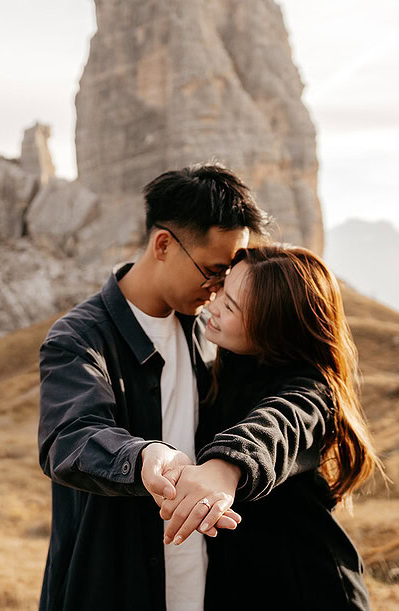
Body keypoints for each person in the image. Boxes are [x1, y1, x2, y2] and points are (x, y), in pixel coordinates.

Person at [36, 164, 266, 611]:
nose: (217, 291)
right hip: (112, 587)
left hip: (202, 582)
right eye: (212, 272)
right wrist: (141, 456)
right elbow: (69, 437)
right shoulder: (79, 337)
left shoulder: (205, 331)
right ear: (163, 244)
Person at [155, 244, 383, 609]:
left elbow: (279, 424)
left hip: (310, 588)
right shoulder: (225, 366)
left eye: (230, 306)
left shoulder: (310, 391)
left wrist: (226, 468)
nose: (211, 306)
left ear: (273, 328)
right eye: (221, 291)